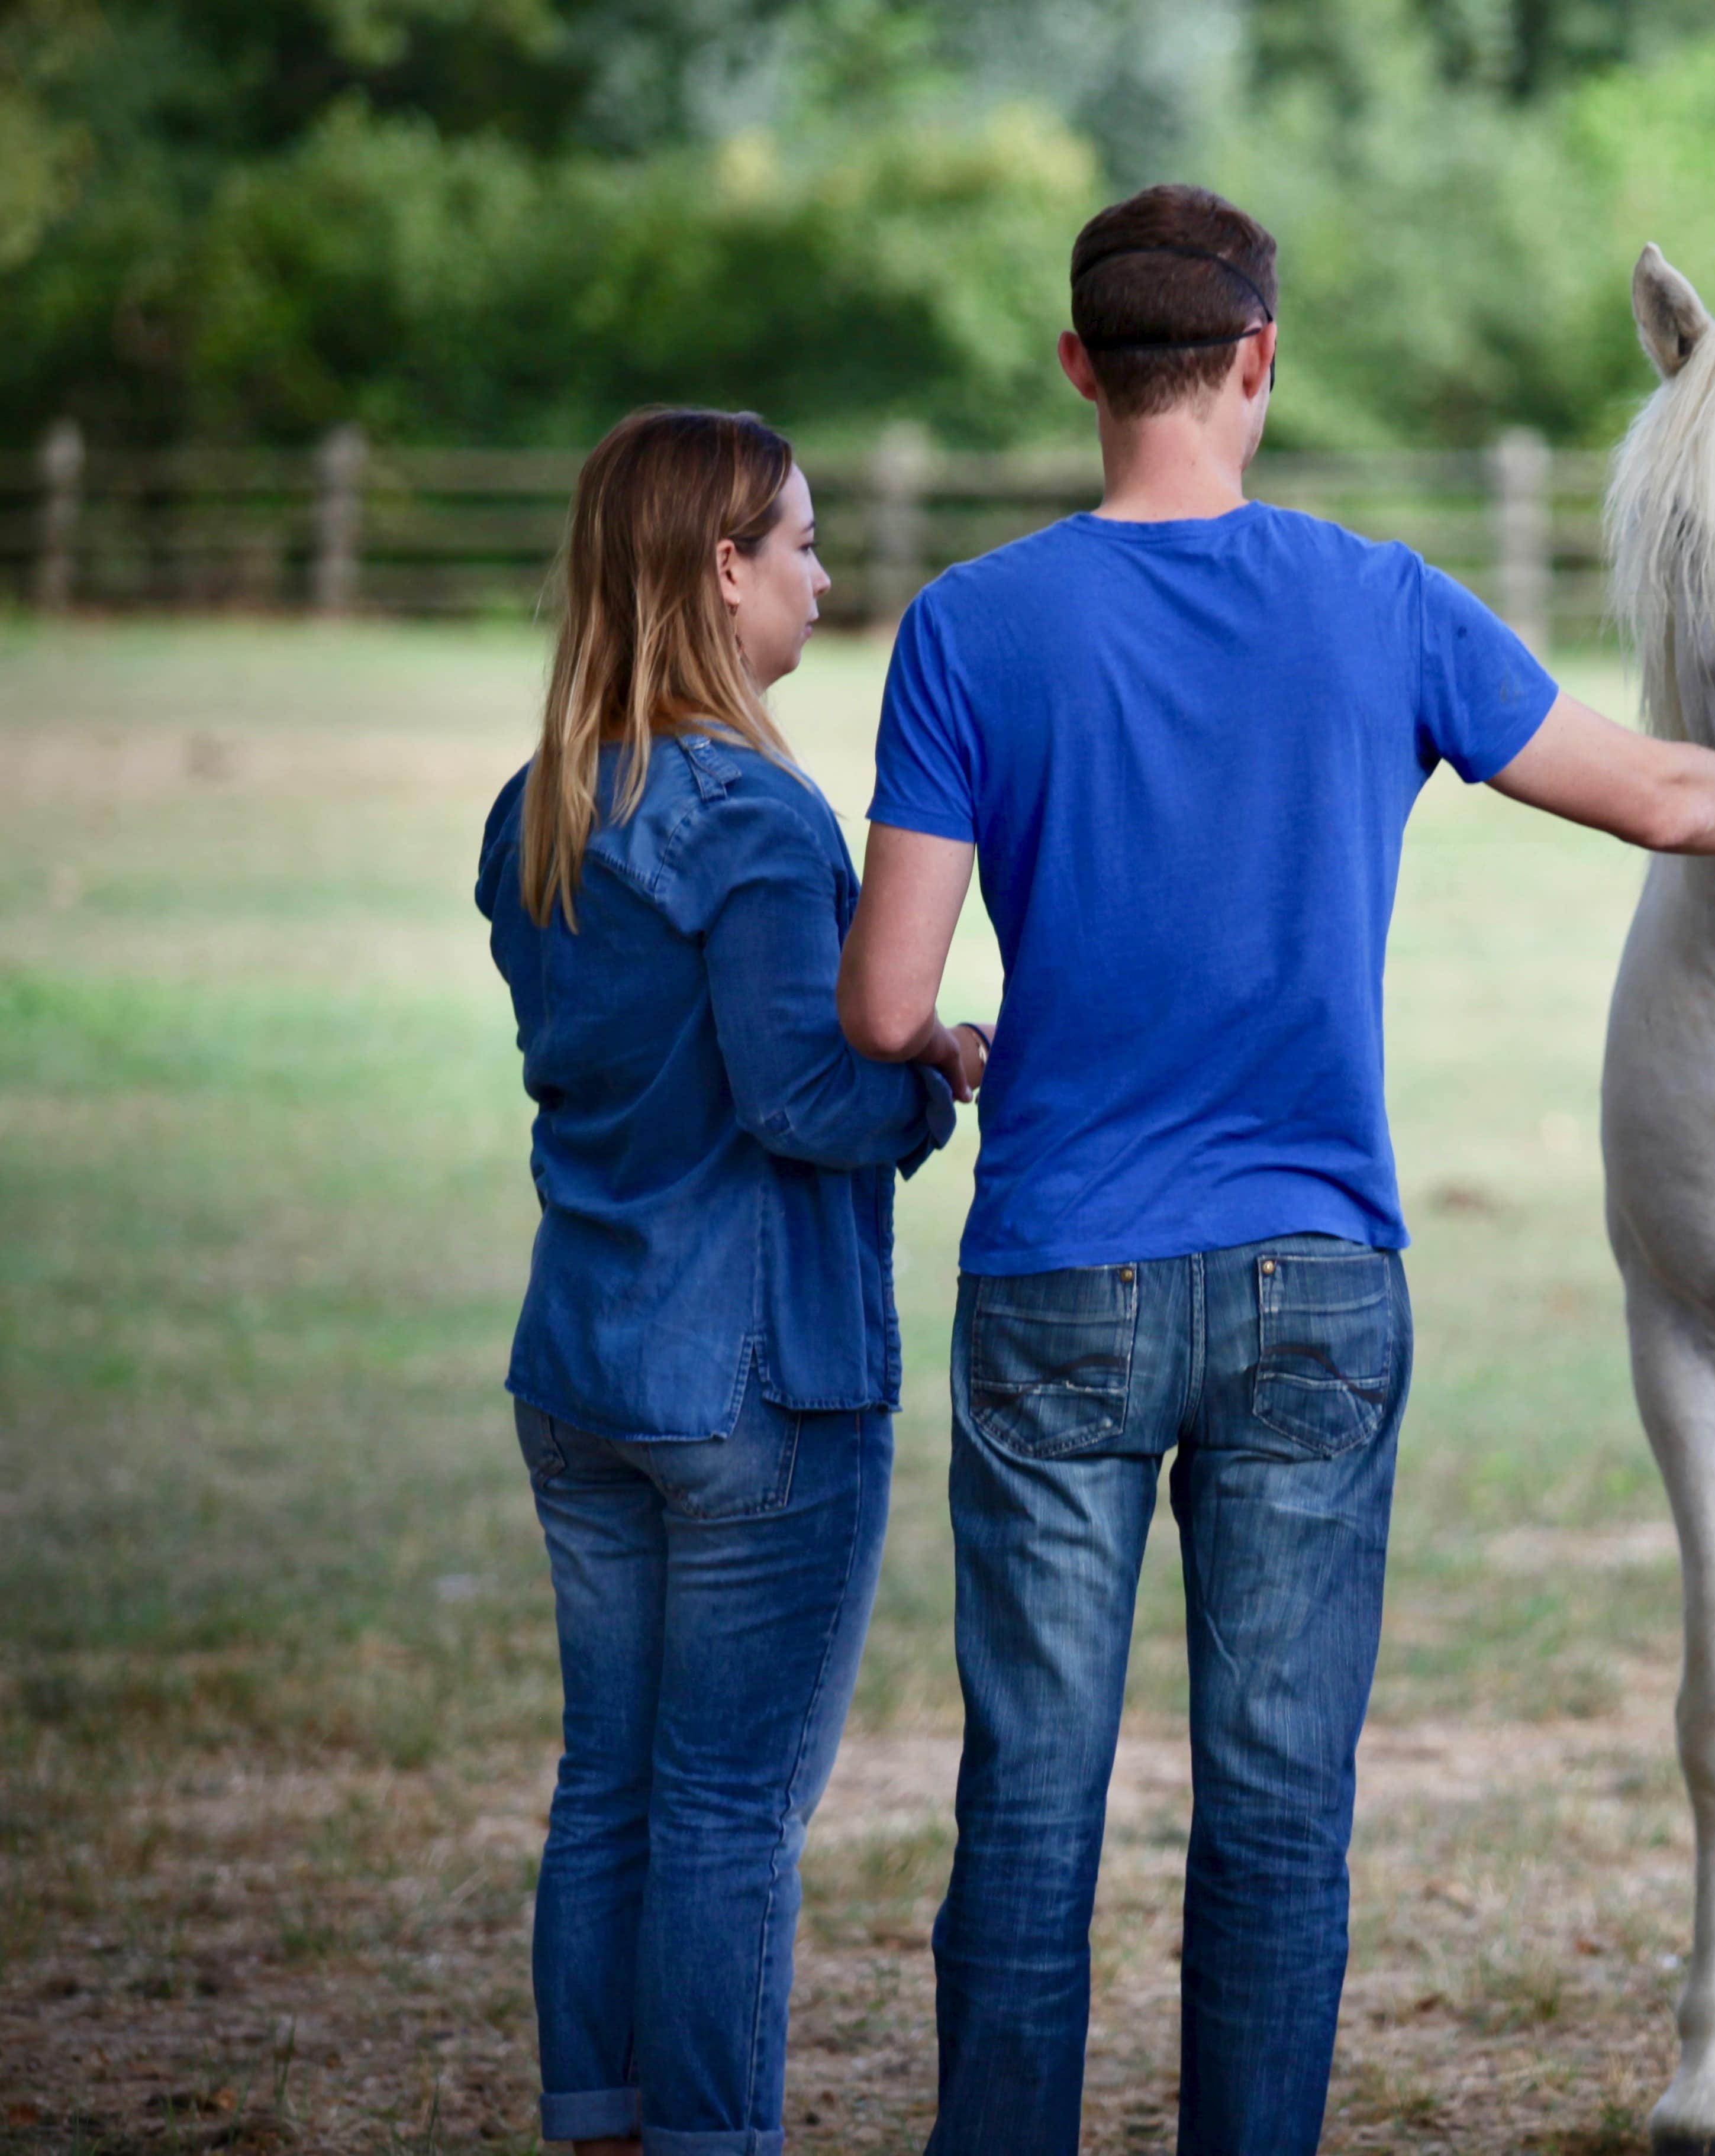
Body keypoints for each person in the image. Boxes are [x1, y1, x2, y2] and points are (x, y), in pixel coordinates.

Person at [834, 183, 1715, 2156]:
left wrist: (956, 1039)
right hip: (1316, 1277)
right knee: (1280, 1803)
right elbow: (1659, 794)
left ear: (1076, 370)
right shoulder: (1375, 598)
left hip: (1057, 1273)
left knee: (1030, 1803)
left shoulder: (970, 628)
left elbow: (887, 998)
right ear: (1258, 364)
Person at [479, 406, 994, 2156]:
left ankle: (599, 2122)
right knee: (725, 1808)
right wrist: (933, 1068)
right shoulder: (759, 822)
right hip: (760, 1385)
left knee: (606, 1781)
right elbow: (803, 1097)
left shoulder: (535, 810)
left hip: (583, 1364)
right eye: (798, 542)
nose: (823, 574)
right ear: (720, 569)